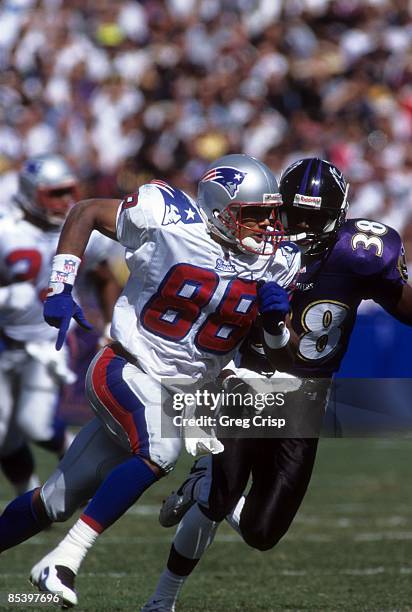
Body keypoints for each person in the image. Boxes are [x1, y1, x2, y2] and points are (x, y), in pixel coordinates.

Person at [0, 154, 301, 607]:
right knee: (162, 449)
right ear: (220, 210)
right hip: (127, 366)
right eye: (254, 216)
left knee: (54, 502)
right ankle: (63, 559)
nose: (266, 228)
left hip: (183, 392)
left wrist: (277, 324)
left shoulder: (277, 263)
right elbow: (84, 212)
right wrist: (60, 286)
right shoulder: (169, 220)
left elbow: (281, 352)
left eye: (270, 216)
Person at [141, 157, 412, 612]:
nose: (303, 227)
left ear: (339, 216)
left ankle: (204, 484)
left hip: (305, 394)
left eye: (314, 217)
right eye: (295, 214)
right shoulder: (250, 240)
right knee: (218, 499)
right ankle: (161, 600)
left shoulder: (359, 252)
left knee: (263, 533)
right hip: (246, 379)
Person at [0, 153, 120, 495]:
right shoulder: (6, 228)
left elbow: (105, 277)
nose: (65, 201)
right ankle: (28, 497)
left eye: (69, 191)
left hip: (54, 338)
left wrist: (110, 324)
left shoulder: (82, 228)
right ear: (30, 192)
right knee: (2, 436)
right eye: (54, 193)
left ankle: (74, 457)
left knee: (35, 424)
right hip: (6, 337)